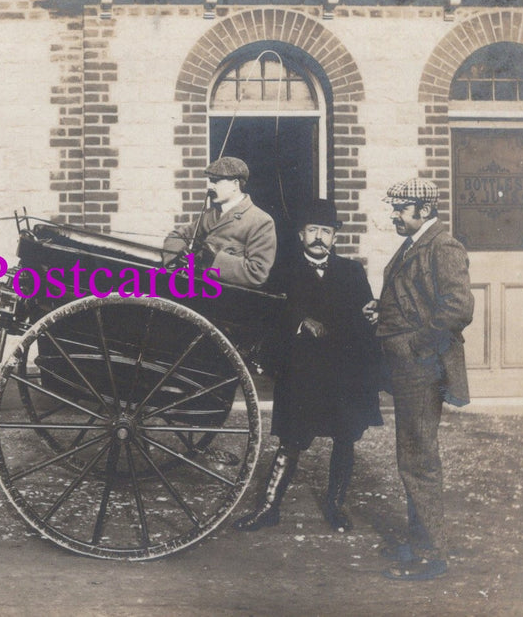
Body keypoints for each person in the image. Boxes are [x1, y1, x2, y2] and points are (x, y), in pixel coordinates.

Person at [232, 198, 382, 533]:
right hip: (302, 372)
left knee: (345, 438)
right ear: (301, 235)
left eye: (325, 231)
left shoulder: (352, 272)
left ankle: (335, 507)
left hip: (343, 372)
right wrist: (300, 321)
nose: (318, 237)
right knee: (291, 439)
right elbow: (267, 315)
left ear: (334, 237)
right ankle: (269, 508)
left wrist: (371, 312)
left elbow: (363, 317)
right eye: (312, 230)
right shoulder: (282, 271)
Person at [363, 178, 473, 582]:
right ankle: (420, 541)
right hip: (409, 365)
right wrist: (385, 310)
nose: (393, 214)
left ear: (423, 211)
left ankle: (431, 554)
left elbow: (458, 307)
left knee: (418, 457)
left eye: (400, 208)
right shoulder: (416, 243)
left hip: (421, 366)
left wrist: (417, 345)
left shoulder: (442, 245)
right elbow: (417, 297)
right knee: (412, 453)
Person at [162, 156, 277, 288]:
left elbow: (257, 274)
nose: (210, 186)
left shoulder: (260, 221)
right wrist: (178, 257)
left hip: (229, 301)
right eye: (210, 181)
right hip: (198, 290)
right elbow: (176, 236)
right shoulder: (209, 215)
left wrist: (213, 260)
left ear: (235, 184)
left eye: (216, 181)